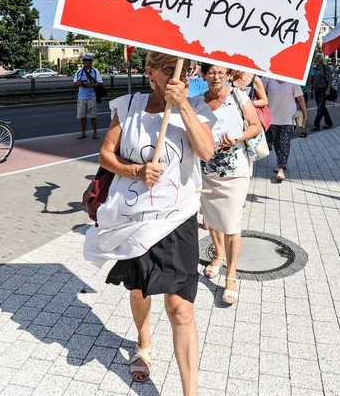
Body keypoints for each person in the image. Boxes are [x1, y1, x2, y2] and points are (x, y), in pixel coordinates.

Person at [82, 52, 215, 394]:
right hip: (133, 217)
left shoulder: (197, 107)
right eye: (169, 69)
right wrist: (136, 171)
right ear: (150, 72)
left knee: (180, 307)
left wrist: (183, 105)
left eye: (185, 71)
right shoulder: (127, 107)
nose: (178, 76)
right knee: (140, 289)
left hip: (177, 218)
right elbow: (105, 156)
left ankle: (191, 392)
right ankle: (144, 340)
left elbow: (207, 151)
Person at [200, 64, 261, 305]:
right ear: (204, 75)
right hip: (206, 170)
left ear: (228, 74)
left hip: (236, 170)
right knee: (211, 217)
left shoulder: (238, 96)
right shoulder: (196, 101)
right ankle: (218, 256)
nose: (216, 76)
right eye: (211, 72)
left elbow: (256, 125)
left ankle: (231, 275)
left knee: (231, 222)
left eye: (221, 72)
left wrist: (237, 138)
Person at [263, 78, 306, 182]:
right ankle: (281, 164)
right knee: (277, 143)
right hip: (273, 117)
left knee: (285, 142)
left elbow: (300, 98)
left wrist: (305, 115)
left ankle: (281, 169)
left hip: (288, 118)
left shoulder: (292, 80)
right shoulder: (268, 78)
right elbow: (259, 88)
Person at [73, 54, 103, 139]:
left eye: (87, 60)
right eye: (84, 60)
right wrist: (80, 83)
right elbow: (74, 83)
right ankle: (83, 133)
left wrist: (90, 85)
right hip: (81, 97)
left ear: (90, 62)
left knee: (93, 116)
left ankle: (95, 132)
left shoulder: (95, 71)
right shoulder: (79, 72)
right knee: (82, 117)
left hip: (91, 96)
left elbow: (100, 83)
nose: (85, 62)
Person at [310, 53, 333, 131]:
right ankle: (329, 123)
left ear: (321, 59)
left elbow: (329, 80)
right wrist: (311, 91)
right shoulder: (314, 68)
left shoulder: (325, 68)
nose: (316, 60)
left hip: (323, 90)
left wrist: (328, 90)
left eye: (318, 58)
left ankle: (316, 125)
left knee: (320, 108)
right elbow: (312, 81)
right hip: (316, 91)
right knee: (322, 108)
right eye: (315, 58)